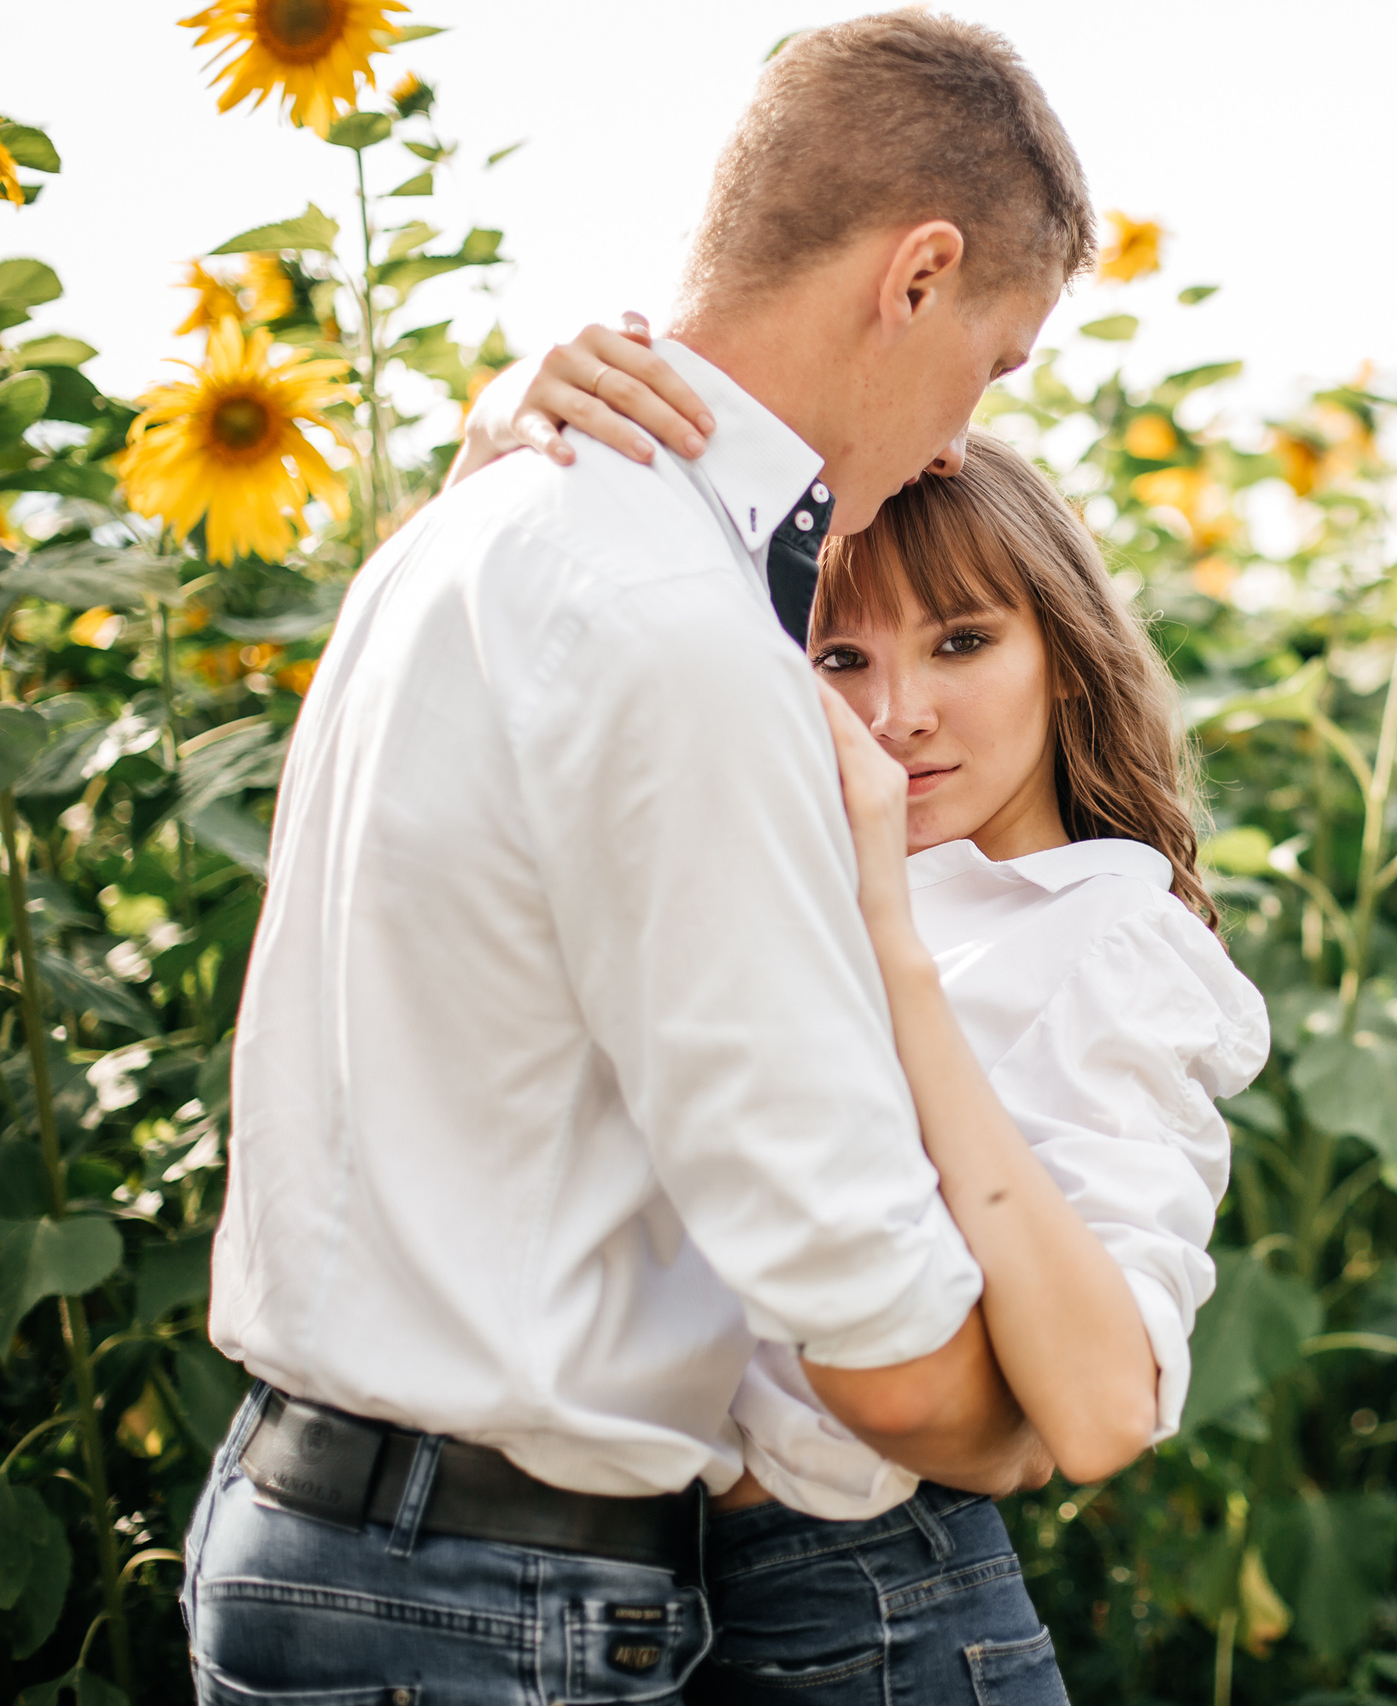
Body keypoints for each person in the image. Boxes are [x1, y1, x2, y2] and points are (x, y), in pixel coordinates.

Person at [187, 15, 1096, 1702]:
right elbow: (843, 1267)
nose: (967, 435)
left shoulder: (469, 533)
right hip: (488, 1596)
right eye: (997, 355)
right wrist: (1037, 1424)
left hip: (307, 1523)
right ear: (920, 274)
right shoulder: (681, 628)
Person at [456, 359, 1267, 1698]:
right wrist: (493, 447)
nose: (899, 714)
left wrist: (893, 954)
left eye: (962, 641)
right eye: (841, 656)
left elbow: (1106, 1406)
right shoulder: (779, 873)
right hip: (634, 1584)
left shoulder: (1104, 933)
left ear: (1063, 654)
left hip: (873, 1594)